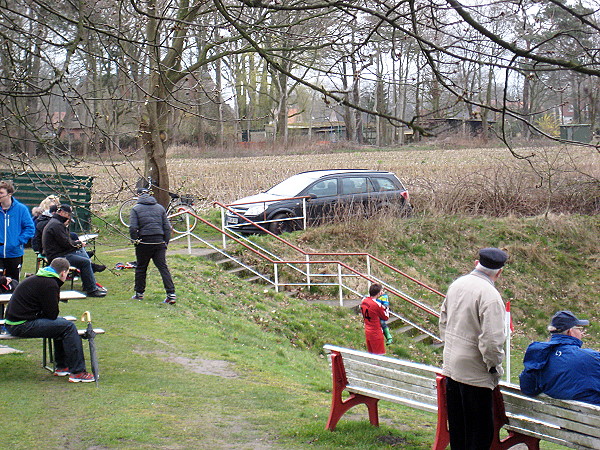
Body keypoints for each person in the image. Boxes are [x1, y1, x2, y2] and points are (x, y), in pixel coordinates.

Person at [439, 247, 508, 450]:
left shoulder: (457, 285)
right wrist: (493, 366)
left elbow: (443, 321)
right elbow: (492, 341)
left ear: (476, 263)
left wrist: (451, 347)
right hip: (475, 374)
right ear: (499, 272)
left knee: (459, 431)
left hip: (452, 367)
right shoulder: (491, 296)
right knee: (479, 434)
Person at [4, 257, 95, 382]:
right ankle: (78, 372)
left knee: (61, 324)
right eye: (67, 273)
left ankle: (62, 366)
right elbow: (51, 314)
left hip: (15, 322)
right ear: (63, 272)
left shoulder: (40, 278)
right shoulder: (50, 284)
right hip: (20, 325)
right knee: (68, 327)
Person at [519, 311, 600, 406]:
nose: (581, 333)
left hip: (552, 418)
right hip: (590, 419)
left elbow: (528, 388)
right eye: (579, 329)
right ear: (570, 332)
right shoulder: (591, 358)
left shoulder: (539, 355)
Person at [41, 204, 107, 297]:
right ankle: (91, 289)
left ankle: (89, 284)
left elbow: (65, 242)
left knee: (84, 257)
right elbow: (66, 244)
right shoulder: (57, 225)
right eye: (68, 215)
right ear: (63, 213)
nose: (69, 217)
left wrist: (76, 244)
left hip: (58, 253)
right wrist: (78, 244)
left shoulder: (55, 223)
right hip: (58, 256)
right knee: (85, 262)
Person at [129, 189, 176, 304]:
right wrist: (165, 242)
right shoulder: (160, 208)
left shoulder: (135, 209)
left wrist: (135, 240)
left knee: (141, 267)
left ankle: (139, 294)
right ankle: (171, 294)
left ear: (138, 197)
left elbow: (133, 228)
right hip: (159, 241)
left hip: (144, 242)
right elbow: (167, 228)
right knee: (163, 267)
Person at [0, 180, 35, 281]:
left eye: (1, 193)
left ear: (9, 194)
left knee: (13, 282)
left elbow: (30, 228)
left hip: (14, 253)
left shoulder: (21, 209)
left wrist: (18, 240)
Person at [360, 283, 390, 354]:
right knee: (379, 356)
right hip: (376, 333)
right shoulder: (376, 305)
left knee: (371, 355)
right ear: (379, 293)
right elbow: (386, 317)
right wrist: (386, 305)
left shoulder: (364, 301)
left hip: (368, 331)